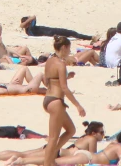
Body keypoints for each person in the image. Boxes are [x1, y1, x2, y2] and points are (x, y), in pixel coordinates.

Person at [42, 36, 86, 166]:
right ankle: (47, 162)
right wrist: (78, 106)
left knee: (71, 130)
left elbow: (47, 81)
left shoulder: (50, 61)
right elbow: (64, 88)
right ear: (64, 47)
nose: (69, 52)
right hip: (56, 101)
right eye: (69, 49)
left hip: (48, 99)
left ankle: (51, 156)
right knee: (53, 138)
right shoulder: (61, 64)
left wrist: (67, 77)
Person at [0, 121, 104, 163]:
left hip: (54, 148)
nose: (103, 135)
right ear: (93, 133)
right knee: (24, 157)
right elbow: (93, 158)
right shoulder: (92, 139)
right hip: (58, 153)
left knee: (23, 153)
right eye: (101, 132)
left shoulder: (82, 138)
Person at [19, 15, 93, 40]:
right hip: (51, 32)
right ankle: (91, 37)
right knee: (72, 33)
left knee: (71, 34)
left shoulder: (28, 30)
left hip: (50, 32)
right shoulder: (31, 28)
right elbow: (33, 17)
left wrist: (25, 23)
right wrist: (27, 22)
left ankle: (90, 37)